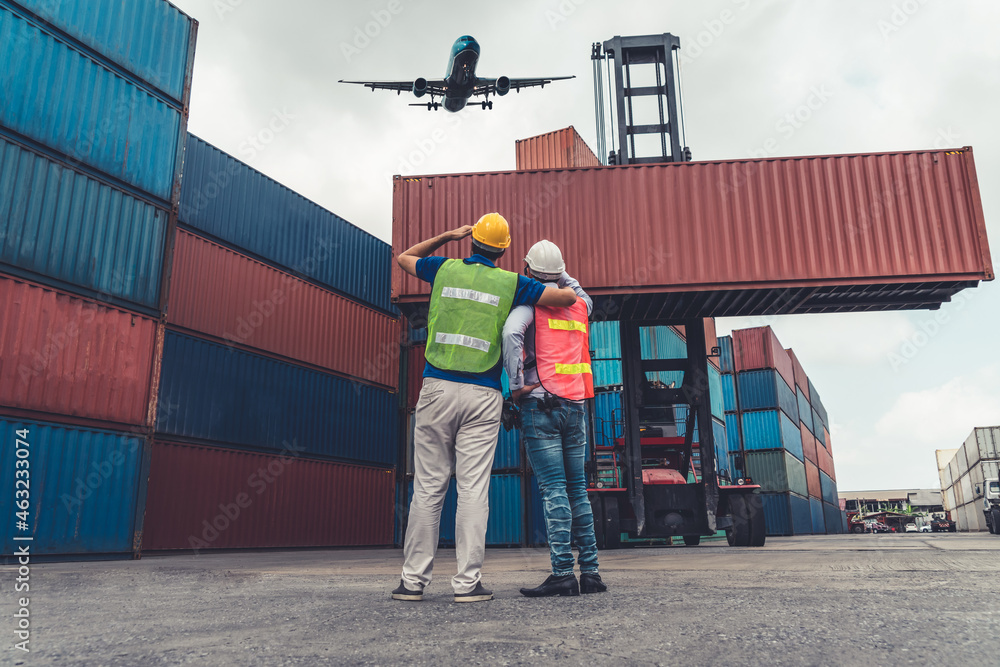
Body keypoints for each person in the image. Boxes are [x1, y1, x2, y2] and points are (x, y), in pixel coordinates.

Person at [392, 214, 578, 603]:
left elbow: (405, 258)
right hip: (483, 395)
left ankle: (412, 583)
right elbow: (568, 299)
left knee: (427, 487)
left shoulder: (443, 268)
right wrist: (560, 275)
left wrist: (446, 235)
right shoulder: (512, 283)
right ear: (506, 250)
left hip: (437, 389)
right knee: (473, 488)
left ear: (471, 241)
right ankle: (467, 585)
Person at [502, 240, 607, 598]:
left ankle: (563, 572)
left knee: (553, 490)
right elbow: (577, 289)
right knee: (578, 489)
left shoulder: (529, 306)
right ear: (560, 271)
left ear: (528, 270)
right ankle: (590, 573)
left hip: (541, 405)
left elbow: (511, 334)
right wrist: (559, 272)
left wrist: (517, 386)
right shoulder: (581, 306)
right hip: (575, 406)